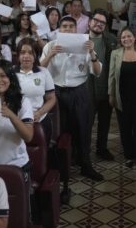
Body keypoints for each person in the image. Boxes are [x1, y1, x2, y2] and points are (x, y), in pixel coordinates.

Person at [40, 16, 103, 181]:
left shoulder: (85, 46)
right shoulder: (50, 46)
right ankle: (61, 167)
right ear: (59, 30)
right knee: (59, 132)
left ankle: (85, 165)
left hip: (79, 92)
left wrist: (92, 53)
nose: (68, 29)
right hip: (57, 93)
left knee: (83, 129)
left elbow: (97, 72)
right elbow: (39, 71)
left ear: (76, 30)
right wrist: (50, 55)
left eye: (71, 27)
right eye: (64, 26)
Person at [108, 27, 136, 169]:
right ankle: (129, 156)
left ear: (134, 38)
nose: (126, 39)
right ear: (120, 40)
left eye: (128, 36)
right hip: (122, 97)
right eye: (123, 37)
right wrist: (111, 94)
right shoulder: (115, 54)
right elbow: (111, 76)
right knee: (125, 127)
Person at [87, 9, 118, 160]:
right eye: (96, 21)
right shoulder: (81, 40)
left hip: (106, 88)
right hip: (87, 90)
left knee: (104, 123)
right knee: (87, 124)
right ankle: (84, 151)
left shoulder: (111, 40)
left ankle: (102, 148)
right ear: (89, 22)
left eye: (103, 23)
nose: (99, 24)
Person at [14, 38, 56, 141]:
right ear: (18, 55)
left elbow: (51, 98)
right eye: (22, 52)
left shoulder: (44, 72)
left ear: (36, 55)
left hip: (39, 120)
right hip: (16, 121)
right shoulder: (10, 73)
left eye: (30, 53)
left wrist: (40, 113)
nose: (26, 56)